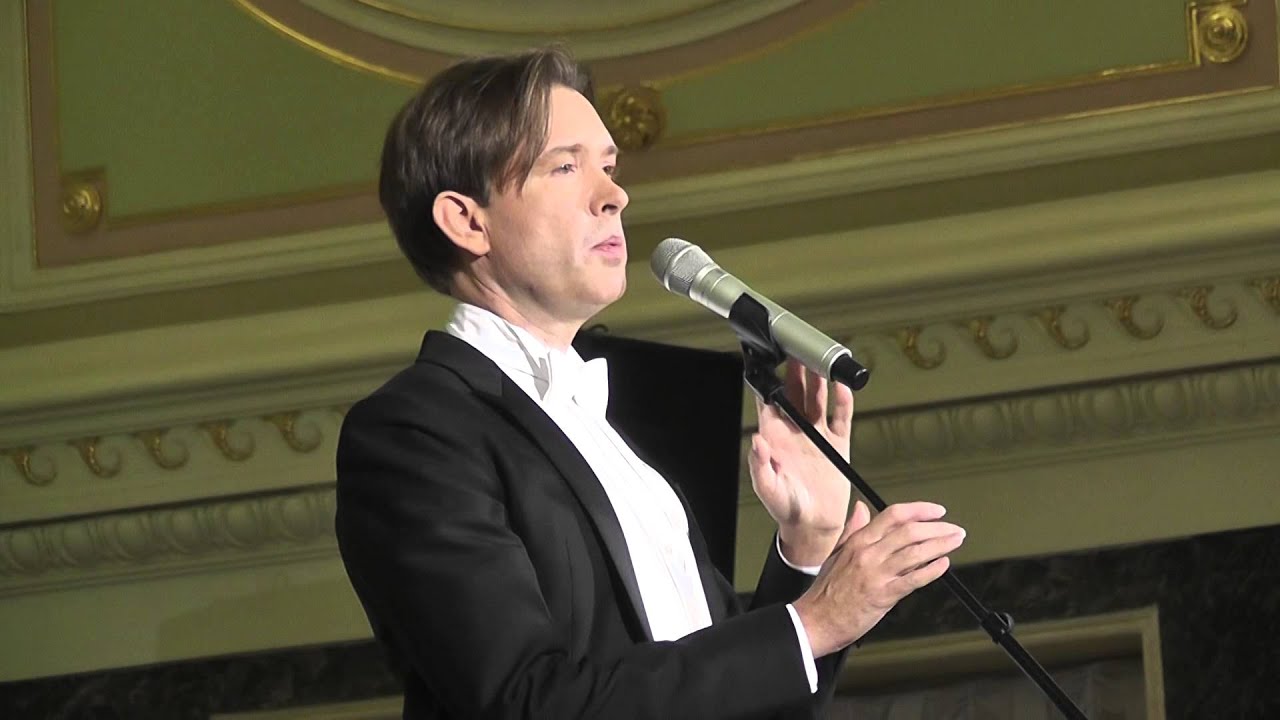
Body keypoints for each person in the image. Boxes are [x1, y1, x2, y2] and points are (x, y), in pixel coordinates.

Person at [335, 46, 966, 720]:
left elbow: (721, 699)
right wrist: (811, 625)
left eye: (608, 167)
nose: (615, 195)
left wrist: (806, 548)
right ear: (467, 220)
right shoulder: (416, 431)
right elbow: (524, 703)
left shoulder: (615, 436)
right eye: (566, 166)